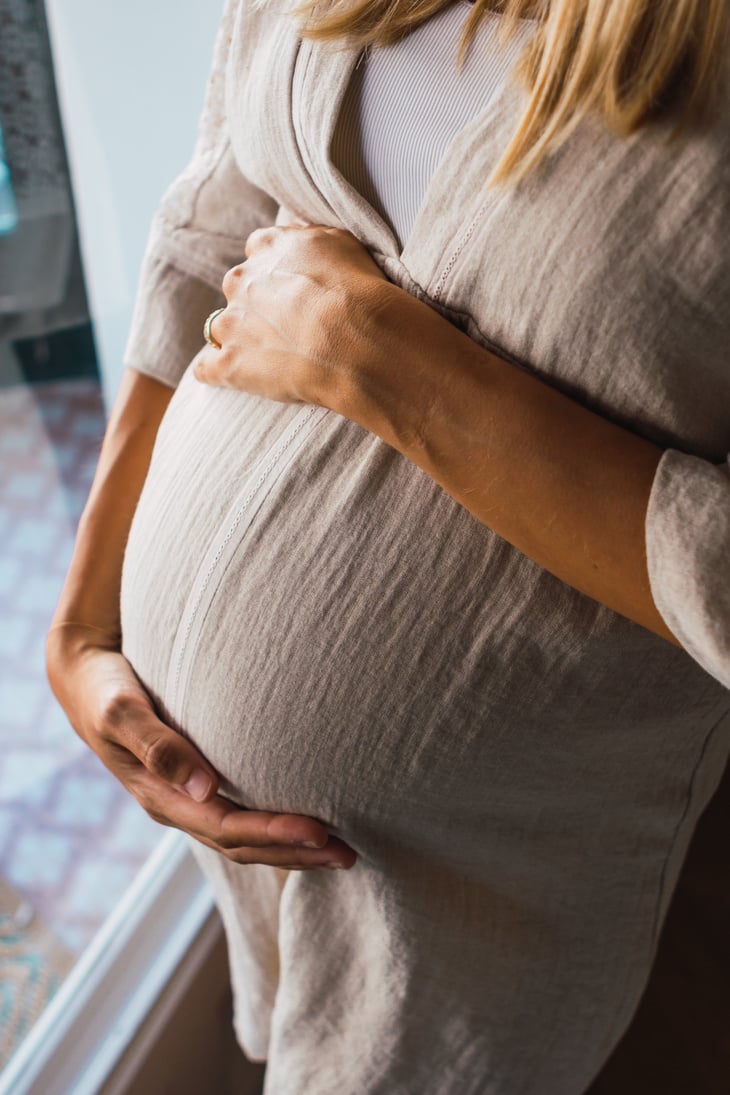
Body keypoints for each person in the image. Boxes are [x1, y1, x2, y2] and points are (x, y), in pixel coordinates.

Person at [47, 0, 730, 1091]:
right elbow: (224, 199)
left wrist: (378, 361)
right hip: (277, 858)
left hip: (498, 930)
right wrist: (83, 625)